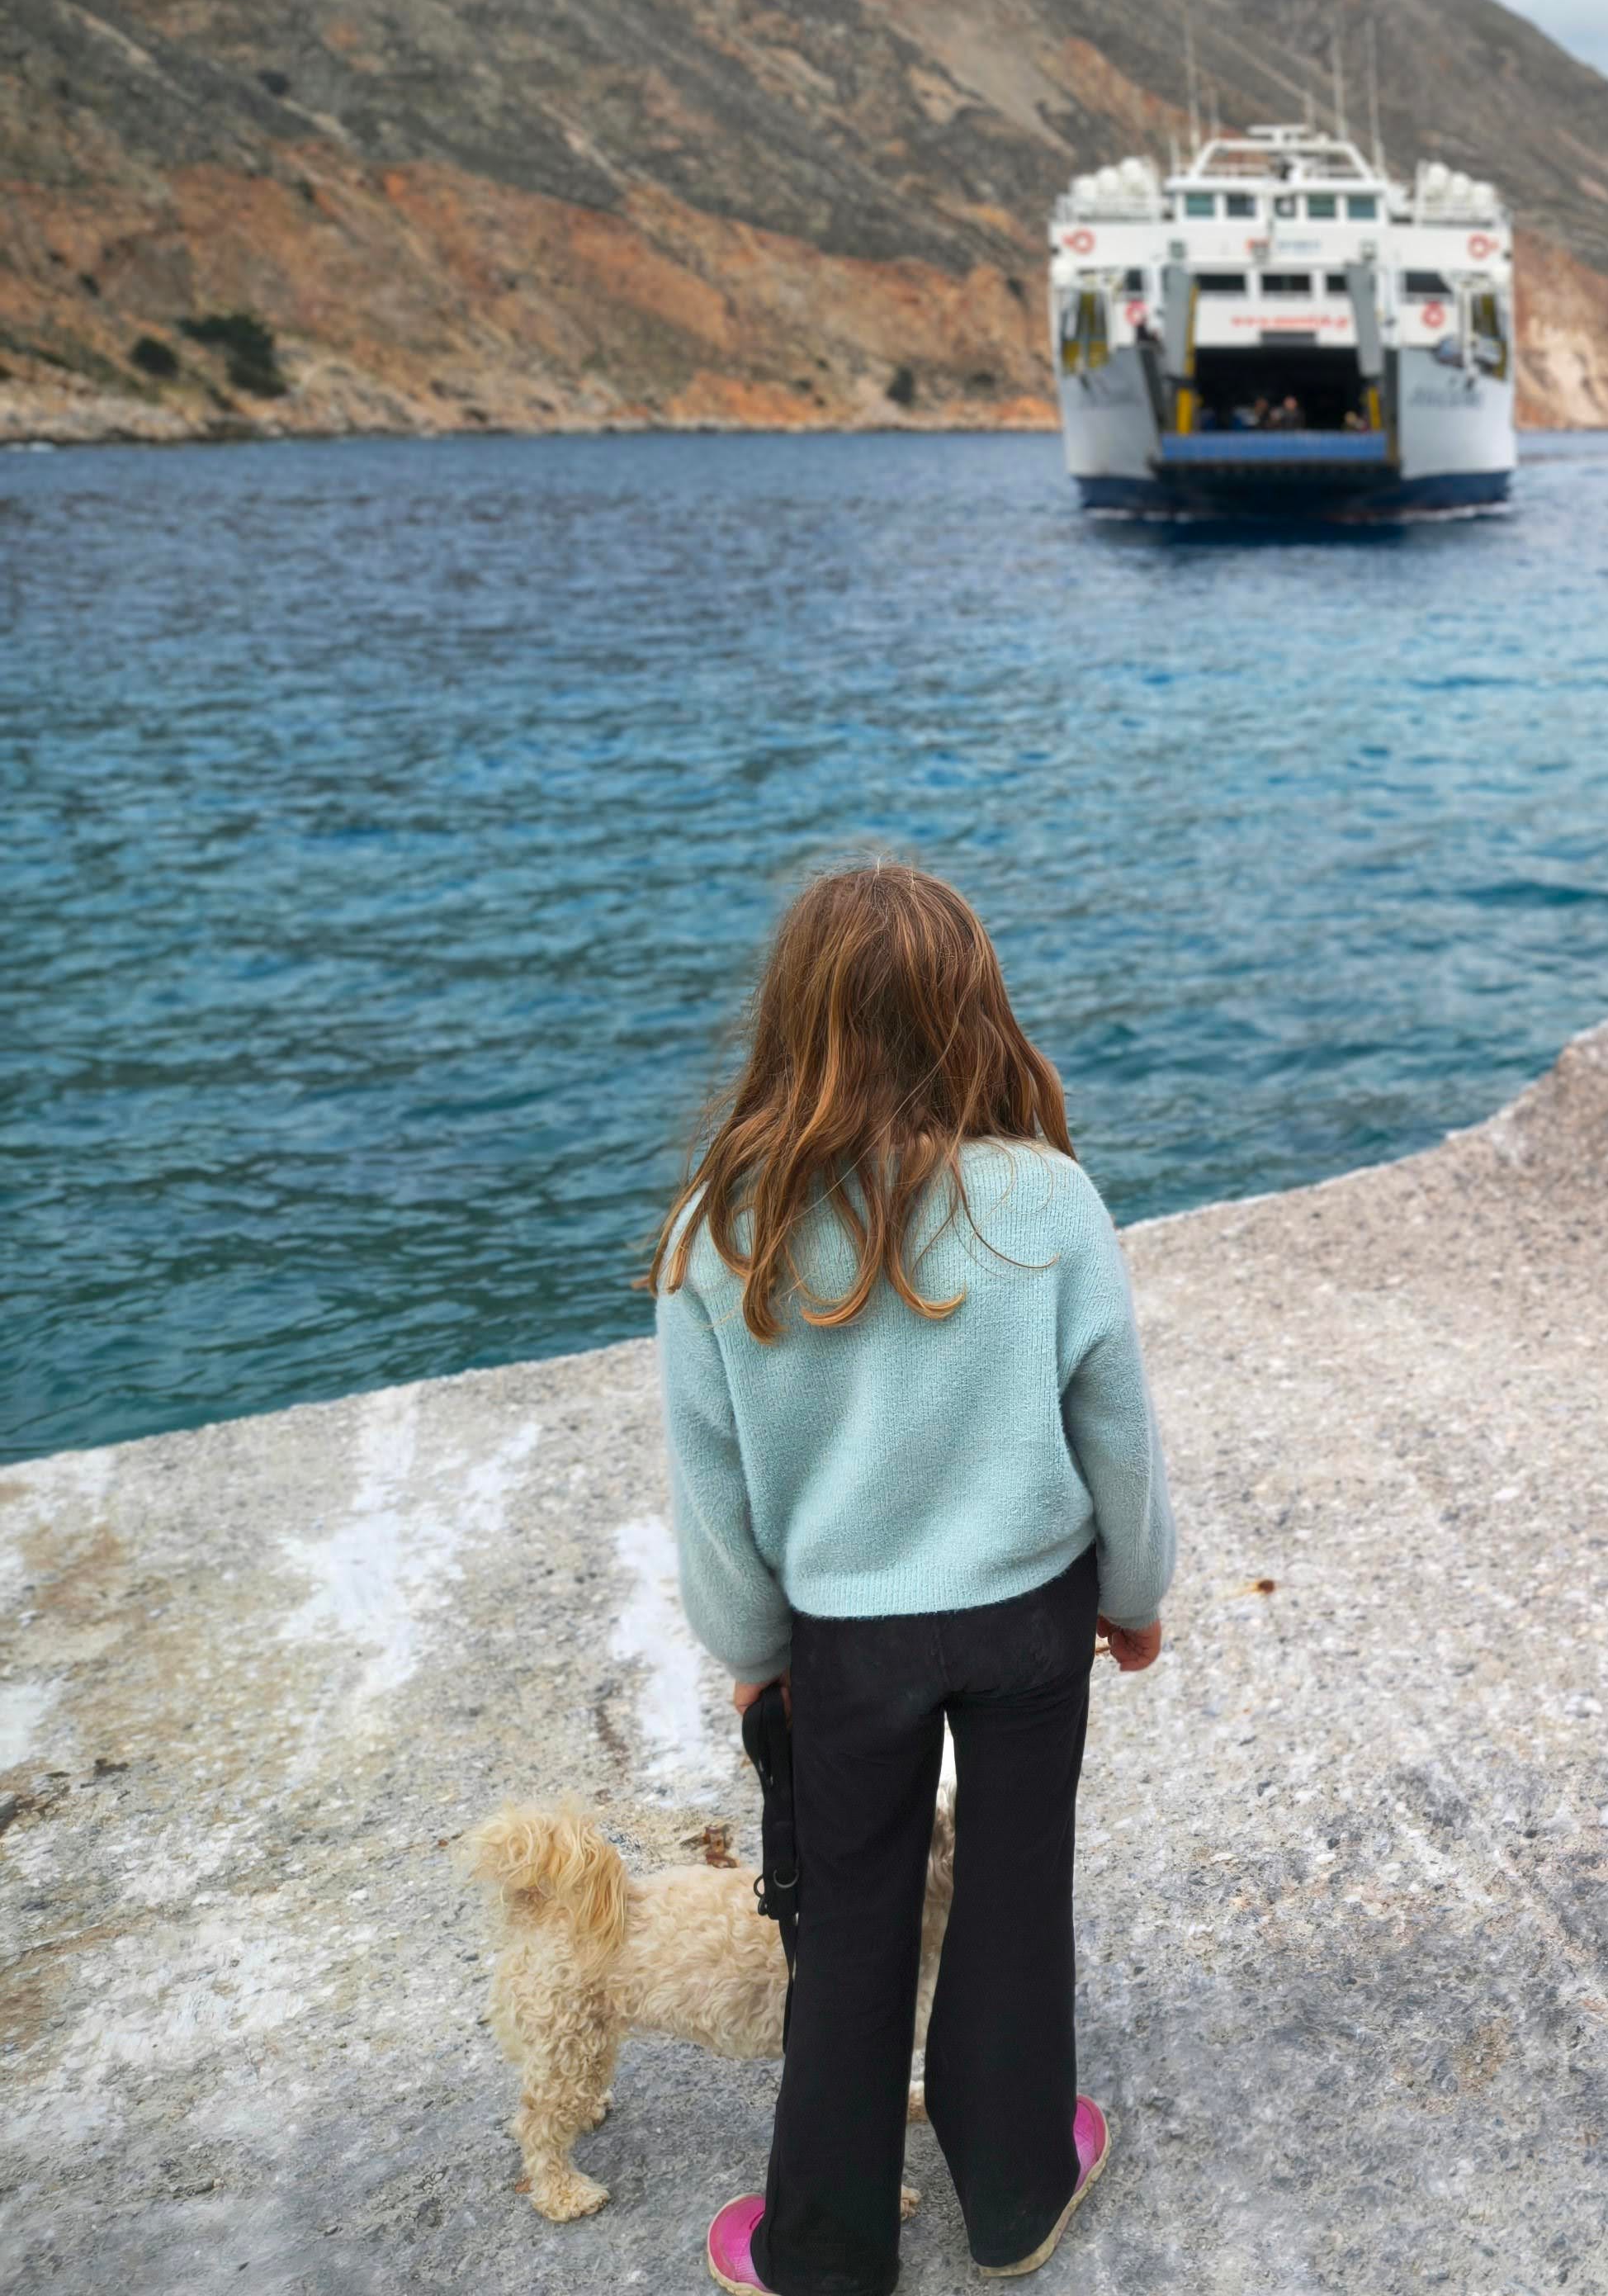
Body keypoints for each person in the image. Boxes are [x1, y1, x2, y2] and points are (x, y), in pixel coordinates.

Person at [647, 860, 1175, 2296]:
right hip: (1030, 1614)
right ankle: (1018, 2192)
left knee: (848, 1921)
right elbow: (1117, 1436)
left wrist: (753, 1652)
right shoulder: (1049, 1200)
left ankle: (824, 2247)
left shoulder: (718, 1228)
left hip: (845, 1638)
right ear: (976, 1012)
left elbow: (714, 1491)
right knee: (1015, 1894)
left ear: (788, 1018)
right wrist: (1135, 1592)